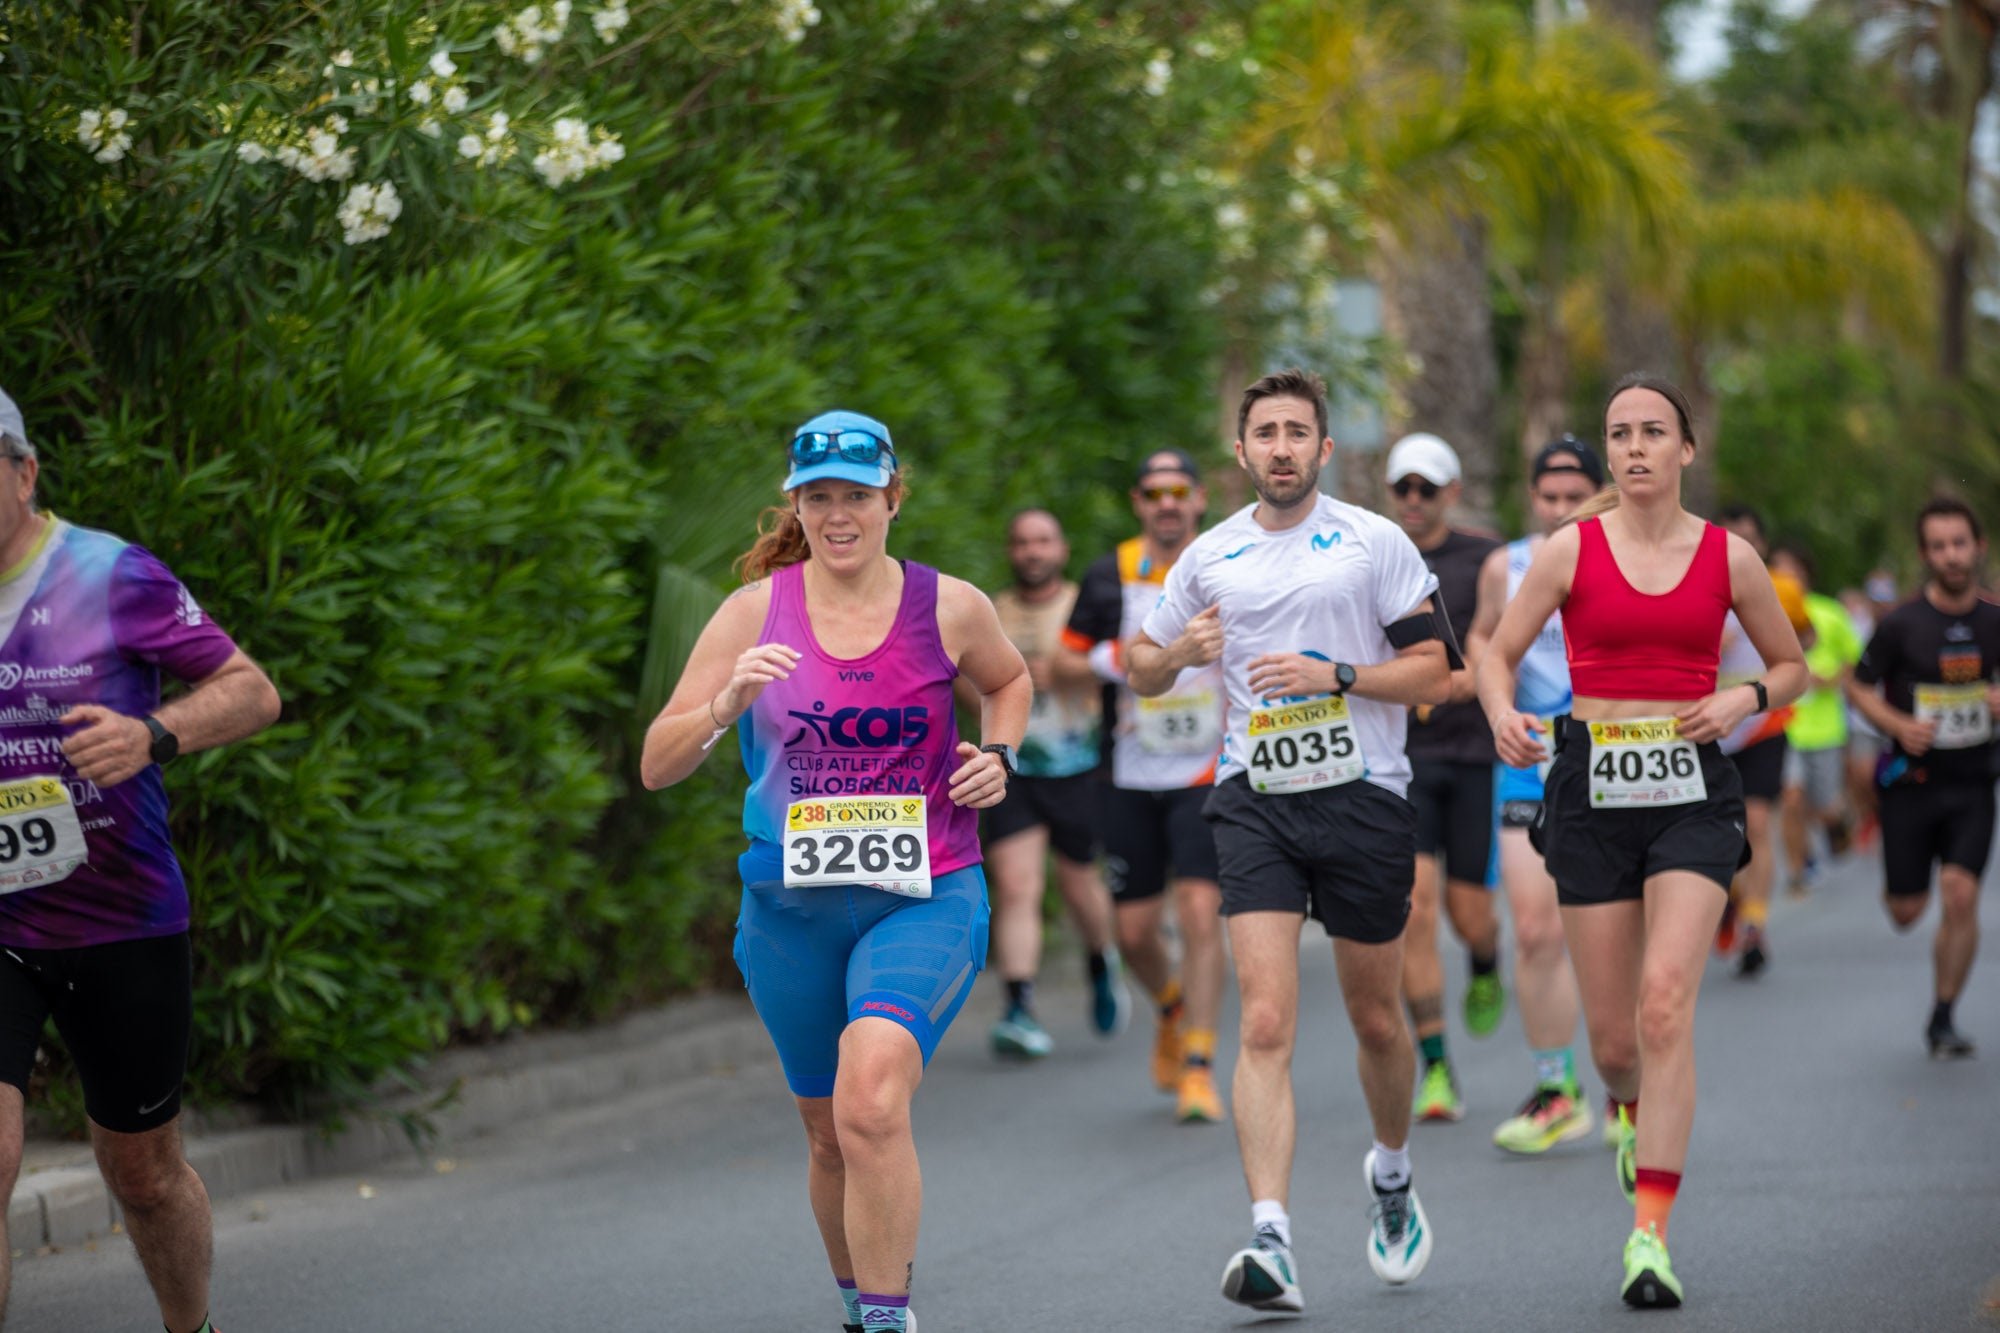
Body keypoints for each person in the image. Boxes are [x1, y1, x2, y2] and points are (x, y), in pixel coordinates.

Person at [640, 410, 1029, 1333]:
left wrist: (999, 756)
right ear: (797, 506)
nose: (838, 514)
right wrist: (725, 703)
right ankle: (860, 1304)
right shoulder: (751, 613)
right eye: (818, 497)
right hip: (790, 909)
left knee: (871, 1095)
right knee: (827, 1133)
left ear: (893, 498)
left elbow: (1007, 681)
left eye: (857, 494)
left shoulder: (950, 605)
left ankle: (889, 1319)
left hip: (925, 894)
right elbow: (657, 762)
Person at [1478, 373, 1805, 1309]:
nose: (1633, 448)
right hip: (1591, 787)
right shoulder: (1570, 549)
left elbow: (1793, 667)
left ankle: (1649, 1236)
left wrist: (1742, 699)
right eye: (1619, 433)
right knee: (1617, 1042)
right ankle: (1625, 1107)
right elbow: (1495, 652)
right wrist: (1501, 714)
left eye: (1653, 431)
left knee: (1665, 1004)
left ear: (1685, 449)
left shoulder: (1729, 557)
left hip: (1694, 790)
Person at [1128, 369, 1451, 1314]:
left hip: (1364, 796)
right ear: (1241, 451)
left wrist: (1337, 674)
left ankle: (1391, 1169)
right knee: (1265, 1021)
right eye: (1264, 432)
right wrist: (1177, 655)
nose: (1280, 447)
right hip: (1254, 796)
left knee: (1376, 1020)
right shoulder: (1209, 553)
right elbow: (1143, 666)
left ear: (1323, 449)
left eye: (1297, 432)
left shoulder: (1373, 540)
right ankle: (1271, 1234)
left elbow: (1438, 671)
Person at [0, 387, 282, 1333]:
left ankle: (190, 1327)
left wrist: (151, 735)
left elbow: (252, 691)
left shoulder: (111, 573)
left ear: (25, 472)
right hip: (2, 922)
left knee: (144, 1173)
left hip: (119, 916)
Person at [1058, 449, 1229, 1122]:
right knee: (1132, 932)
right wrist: (1120, 657)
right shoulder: (1109, 575)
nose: (1167, 504)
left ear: (1199, 499)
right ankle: (1172, 1007)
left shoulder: (1225, 564)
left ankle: (1200, 1066)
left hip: (1208, 770)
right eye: (1155, 493)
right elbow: (1060, 665)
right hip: (1127, 772)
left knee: (1199, 911)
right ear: (1138, 502)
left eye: (1179, 491)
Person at [1466, 435, 1603, 1154]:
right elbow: (1484, 640)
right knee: (1536, 930)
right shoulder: (1507, 564)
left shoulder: (1630, 557)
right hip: (1532, 756)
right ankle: (1557, 1091)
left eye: (1574, 497)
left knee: (1617, 932)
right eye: (1548, 497)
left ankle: (1632, 1091)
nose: (1559, 510)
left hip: (1616, 755)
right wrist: (1499, 710)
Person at [1844, 497, 2000, 1060]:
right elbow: (1856, 684)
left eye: (1959, 543)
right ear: (1924, 555)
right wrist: (1898, 725)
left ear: (1978, 547)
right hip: (1910, 783)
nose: (1951, 555)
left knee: (1960, 895)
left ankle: (1943, 1015)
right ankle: (1908, 884)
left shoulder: (1994, 620)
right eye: (1938, 546)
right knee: (1906, 911)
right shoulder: (1901, 624)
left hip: (1974, 782)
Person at [1383, 432, 1503, 1124]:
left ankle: (1486, 961)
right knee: (1416, 907)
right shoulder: (1372, 555)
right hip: (1402, 759)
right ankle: (1435, 1065)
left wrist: (1439, 686)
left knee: (1469, 913)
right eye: (1402, 487)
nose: (1413, 500)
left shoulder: (1485, 559)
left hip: (1474, 754)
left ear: (1451, 493)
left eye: (1426, 488)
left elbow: (1498, 655)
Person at [980, 510, 1124, 1059]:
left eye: (1042, 541)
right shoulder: (991, 611)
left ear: (1061, 549)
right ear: (1010, 551)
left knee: (1079, 883)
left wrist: (1064, 673)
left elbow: (1121, 670)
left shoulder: (1083, 607)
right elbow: (969, 683)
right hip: (1012, 767)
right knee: (1016, 885)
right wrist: (1005, 689)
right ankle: (1018, 1008)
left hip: (1080, 765)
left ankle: (1101, 958)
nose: (1032, 551)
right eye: (1021, 542)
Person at [1711, 506, 1800, 977]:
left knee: (1758, 824)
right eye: (1729, 538)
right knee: (1722, 834)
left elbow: (1805, 639)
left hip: (1764, 723)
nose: (1738, 547)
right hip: (1709, 725)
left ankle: (1754, 925)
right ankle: (1730, 895)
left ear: (1761, 545)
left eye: (1747, 538)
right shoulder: (1690, 583)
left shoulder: (1782, 588)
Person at [1769, 543, 1862, 895]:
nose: (1785, 577)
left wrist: (1833, 680)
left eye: (1791, 570)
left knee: (1822, 807)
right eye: (1777, 570)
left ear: (1806, 573)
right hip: (1784, 725)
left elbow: (1854, 659)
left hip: (1824, 727)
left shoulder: (1830, 612)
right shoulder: (1763, 610)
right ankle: (1798, 870)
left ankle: (1838, 820)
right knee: (1791, 799)